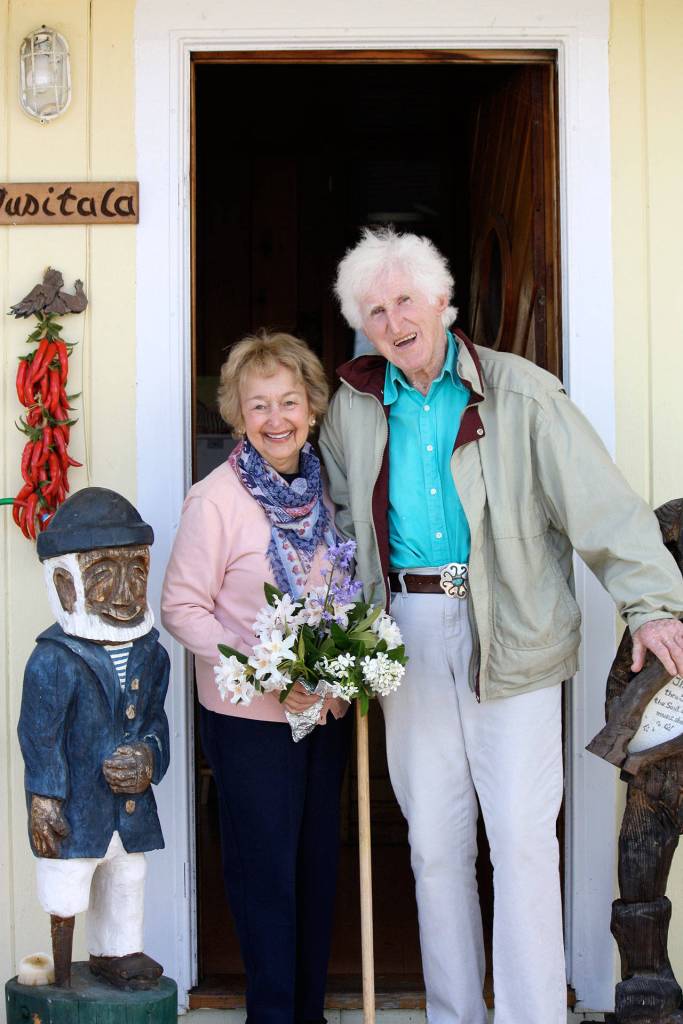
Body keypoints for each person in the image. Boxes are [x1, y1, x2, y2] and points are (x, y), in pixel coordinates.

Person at [319, 226, 683, 1024]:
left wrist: (651, 604)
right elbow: (341, 528)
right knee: (432, 844)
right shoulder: (352, 406)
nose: (393, 320)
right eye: (374, 310)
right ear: (362, 324)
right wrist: (336, 640)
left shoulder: (520, 393)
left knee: (520, 840)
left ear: (442, 301)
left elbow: (602, 505)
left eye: (405, 299)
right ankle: (456, 1014)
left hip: (509, 629)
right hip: (403, 633)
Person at [161, 331, 351, 1024]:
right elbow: (180, 606)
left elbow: (349, 589)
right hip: (249, 723)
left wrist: (340, 670)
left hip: (321, 714)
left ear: (312, 406)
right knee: (265, 877)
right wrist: (262, 672)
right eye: (259, 405)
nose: (277, 418)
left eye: (289, 401)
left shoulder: (330, 489)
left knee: (314, 871)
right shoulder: (215, 499)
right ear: (237, 416)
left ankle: (308, 1013)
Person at [18, 487, 170, 990]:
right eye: (104, 574)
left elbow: (155, 719)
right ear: (66, 585)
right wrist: (44, 798)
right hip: (76, 809)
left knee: (127, 877)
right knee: (68, 885)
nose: (126, 593)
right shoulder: (53, 660)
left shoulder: (151, 653)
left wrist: (148, 756)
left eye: (137, 571)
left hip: (127, 808)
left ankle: (117, 951)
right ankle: (61, 968)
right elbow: (39, 736)